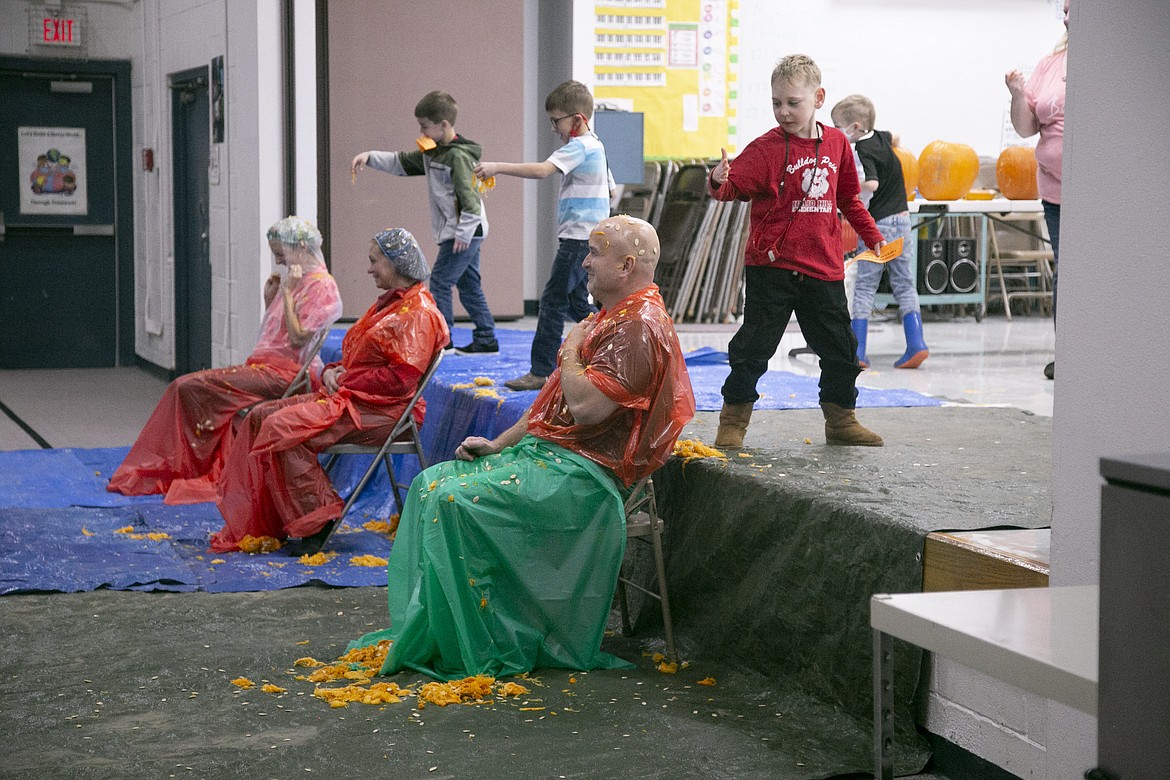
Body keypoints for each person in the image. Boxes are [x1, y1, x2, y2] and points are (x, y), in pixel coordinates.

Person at [348, 215, 695, 680]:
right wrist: (497, 444)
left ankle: (481, 638)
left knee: (453, 501)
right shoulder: (605, 319)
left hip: (585, 480)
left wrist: (570, 351)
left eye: (595, 253)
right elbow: (548, 407)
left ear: (627, 265)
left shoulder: (638, 328)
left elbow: (587, 408)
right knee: (431, 483)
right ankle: (448, 629)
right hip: (548, 459)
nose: (585, 262)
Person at [209, 228, 449, 553]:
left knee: (283, 428)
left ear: (396, 263)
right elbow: (361, 360)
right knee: (259, 415)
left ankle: (318, 520)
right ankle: (273, 519)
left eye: (374, 261)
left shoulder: (417, 313)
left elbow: (399, 381)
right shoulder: (391, 305)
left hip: (382, 412)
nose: (369, 269)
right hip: (353, 398)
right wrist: (336, 372)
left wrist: (344, 380)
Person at [708, 54, 886, 449]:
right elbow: (730, 187)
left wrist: (871, 236)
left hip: (823, 267)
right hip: (771, 269)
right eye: (776, 103)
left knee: (841, 349)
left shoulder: (838, 143)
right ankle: (732, 422)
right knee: (753, 348)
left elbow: (850, 200)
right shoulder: (766, 148)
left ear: (818, 97)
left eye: (793, 102)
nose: (784, 111)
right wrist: (717, 179)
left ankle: (841, 420)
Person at [107, 216, 343, 504]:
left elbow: (297, 339)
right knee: (190, 387)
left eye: (282, 254)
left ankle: (186, 466)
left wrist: (287, 293)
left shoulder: (321, 286)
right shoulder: (296, 281)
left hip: (287, 374)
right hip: (269, 366)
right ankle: (188, 464)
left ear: (302, 248)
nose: (279, 262)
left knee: (188, 387)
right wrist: (270, 299)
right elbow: (276, 334)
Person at [474, 80, 616, 392]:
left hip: (578, 239)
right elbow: (612, 189)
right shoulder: (598, 147)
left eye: (556, 121)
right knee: (577, 302)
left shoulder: (579, 146)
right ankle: (611, 347)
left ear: (577, 120)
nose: (554, 128)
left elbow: (542, 170)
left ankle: (540, 371)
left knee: (552, 301)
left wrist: (497, 166)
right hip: (587, 237)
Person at [351, 91, 498, 354]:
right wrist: (370, 156)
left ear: (443, 125)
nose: (421, 132)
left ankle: (443, 340)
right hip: (462, 232)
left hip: (464, 232)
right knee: (469, 284)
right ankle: (487, 339)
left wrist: (463, 234)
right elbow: (401, 162)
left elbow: (471, 200)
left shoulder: (457, 157)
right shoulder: (434, 153)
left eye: (424, 126)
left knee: (440, 281)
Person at [831, 94, 928, 370]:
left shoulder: (862, 150)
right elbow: (895, 136)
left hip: (878, 226)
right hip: (901, 221)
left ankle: (858, 351)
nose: (837, 131)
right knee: (904, 283)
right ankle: (916, 343)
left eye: (839, 126)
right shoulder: (882, 138)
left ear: (856, 127)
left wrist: (851, 183)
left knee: (864, 286)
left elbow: (871, 183)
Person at [1006, 0, 1068, 380]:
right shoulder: (1051, 62)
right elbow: (1027, 127)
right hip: (1055, 192)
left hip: (1100, 192)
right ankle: (1067, 352)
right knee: (1066, 270)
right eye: (1064, 10)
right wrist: (1017, 93)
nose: (1066, 15)